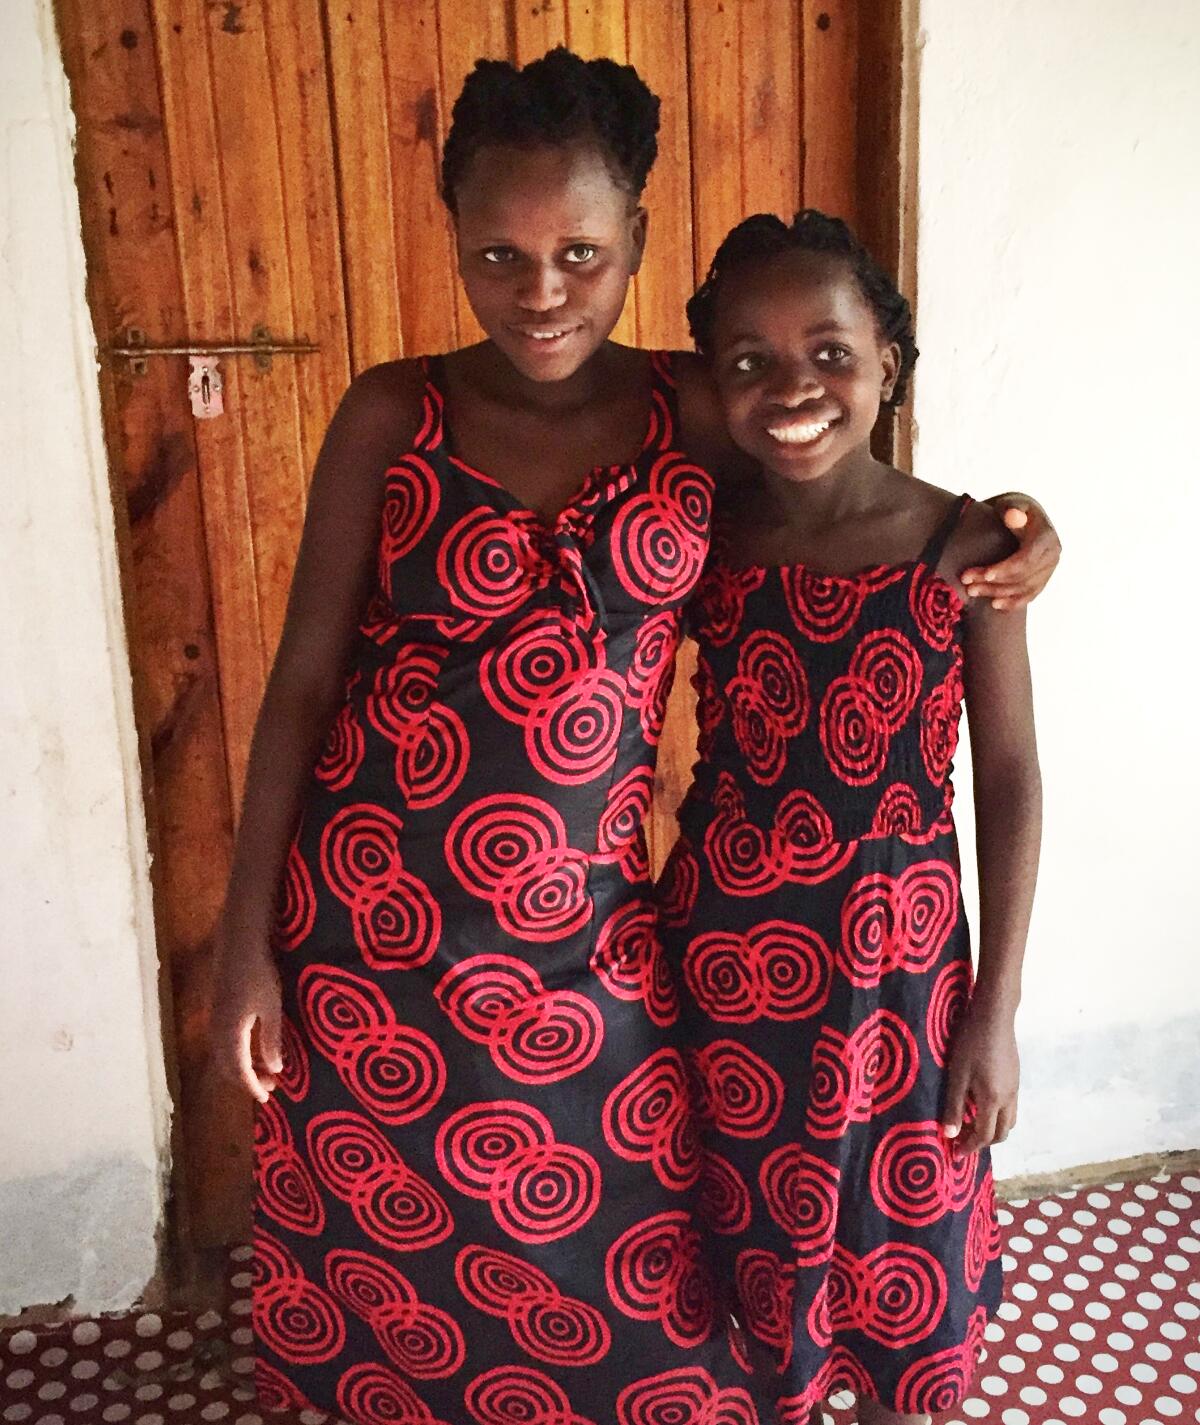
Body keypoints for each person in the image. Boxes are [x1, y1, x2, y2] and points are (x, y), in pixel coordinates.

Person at [206, 50, 1056, 1425]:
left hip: (587, 939)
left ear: (638, 244)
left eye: (581, 253)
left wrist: (1013, 521)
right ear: (456, 242)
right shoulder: (390, 413)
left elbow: (843, 475)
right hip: (367, 924)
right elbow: (300, 686)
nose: (542, 291)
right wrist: (245, 948)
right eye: (502, 253)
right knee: (393, 1266)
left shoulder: (697, 409)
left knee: (644, 1294)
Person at [659, 209, 1042, 1425]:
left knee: (899, 1241)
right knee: (744, 1242)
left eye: (831, 352)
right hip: (721, 967)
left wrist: (999, 1008)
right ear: (708, 380)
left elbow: (1013, 775)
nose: (793, 387)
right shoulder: (701, 530)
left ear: (891, 362)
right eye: (748, 361)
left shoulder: (966, 541)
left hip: (904, 977)